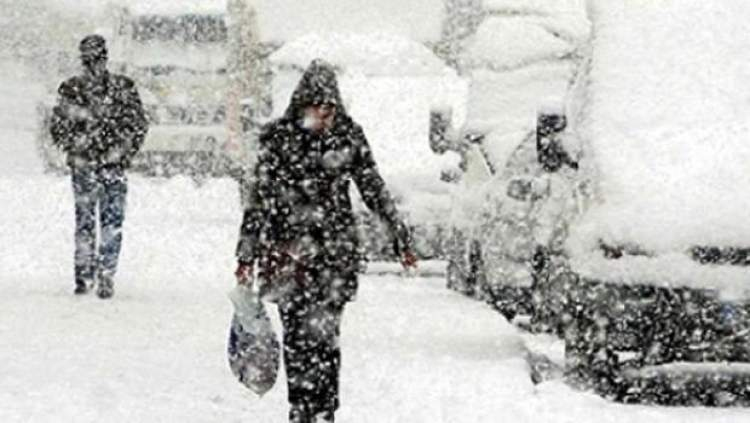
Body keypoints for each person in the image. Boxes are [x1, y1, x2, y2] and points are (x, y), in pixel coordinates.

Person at [234, 59, 417, 423]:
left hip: (334, 254)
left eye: (330, 108)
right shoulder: (277, 139)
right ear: (301, 104)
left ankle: (325, 409)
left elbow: (372, 187)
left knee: (326, 337)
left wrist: (400, 236)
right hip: (288, 254)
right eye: (317, 108)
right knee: (296, 336)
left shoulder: (347, 136)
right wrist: (246, 253)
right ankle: (300, 407)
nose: (323, 116)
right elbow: (259, 200)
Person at [50, 35, 148, 299]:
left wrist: (78, 146)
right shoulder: (121, 88)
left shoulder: (72, 89)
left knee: (88, 221)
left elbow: (58, 128)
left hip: (92, 164)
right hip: (107, 165)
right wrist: (121, 151)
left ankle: (89, 273)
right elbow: (137, 126)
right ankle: (103, 272)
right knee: (108, 221)